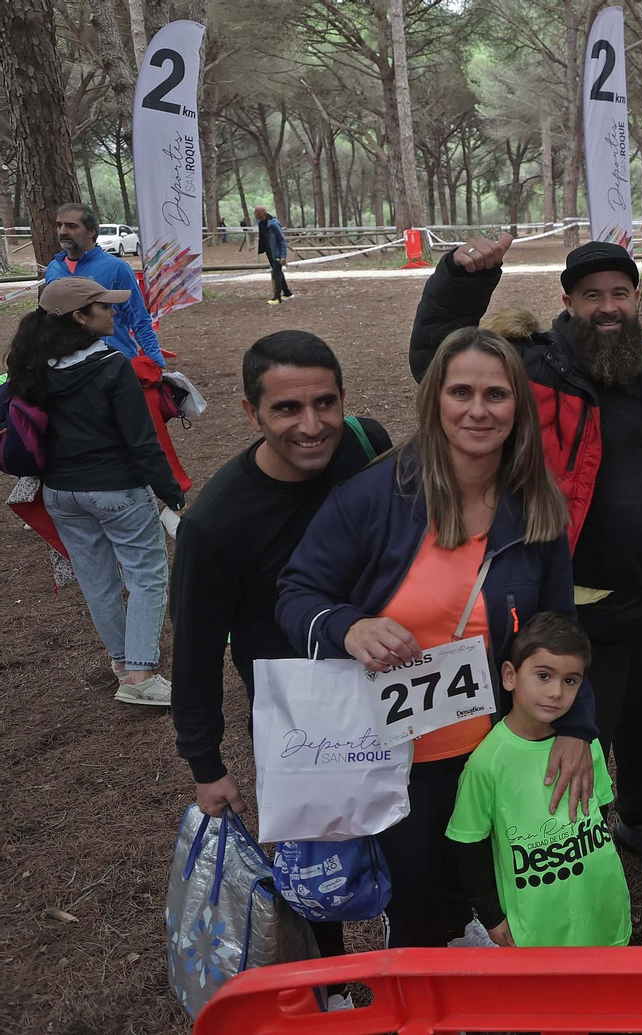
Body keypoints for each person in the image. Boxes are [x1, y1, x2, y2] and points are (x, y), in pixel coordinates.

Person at [276, 327, 598, 948]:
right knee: (420, 908)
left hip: (495, 747)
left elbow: (561, 630)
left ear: (518, 407)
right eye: (461, 392)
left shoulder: (535, 506)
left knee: (497, 895)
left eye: (496, 395)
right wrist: (350, 627)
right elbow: (297, 594)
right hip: (396, 762)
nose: (478, 410)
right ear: (435, 401)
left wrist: (578, 726)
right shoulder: (378, 496)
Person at [410, 234, 642, 879]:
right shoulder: (536, 371)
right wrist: (460, 281)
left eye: (619, 294)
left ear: (636, 299)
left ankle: (638, 815)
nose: (607, 307)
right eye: (591, 296)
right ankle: (563, 833)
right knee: (573, 722)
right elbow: (436, 359)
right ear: (567, 302)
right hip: (571, 598)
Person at [169, 331, 390, 1004]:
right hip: (302, 717)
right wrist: (206, 765)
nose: (312, 424)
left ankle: (418, 958)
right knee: (319, 866)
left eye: (326, 403)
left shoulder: (365, 444)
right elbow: (197, 651)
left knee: (411, 835)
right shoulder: (215, 524)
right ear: (250, 412)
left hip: (392, 678)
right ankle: (335, 983)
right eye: (287, 409)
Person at [7, 277, 184, 706]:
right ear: (79, 318)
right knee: (147, 577)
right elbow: (142, 441)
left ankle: (124, 663)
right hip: (117, 490)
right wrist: (170, 491)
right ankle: (141, 675)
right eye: (103, 307)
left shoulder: (30, 366)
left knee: (98, 582)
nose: (113, 312)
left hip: (61, 494)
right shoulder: (111, 364)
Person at [447, 613, 631, 948]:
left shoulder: (584, 746)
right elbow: (468, 845)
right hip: (536, 928)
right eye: (543, 675)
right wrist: (491, 915)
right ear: (510, 676)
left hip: (603, 906)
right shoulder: (487, 763)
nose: (556, 692)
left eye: (571, 680)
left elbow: (600, 810)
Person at [42, 204, 163, 367]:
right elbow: (48, 320)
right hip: (69, 365)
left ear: (91, 232)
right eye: (59, 225)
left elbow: (139, 318)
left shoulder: (116, 268)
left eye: (71, 226)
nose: (62, 231)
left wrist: (156, 362)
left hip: (114, 362)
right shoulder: (53, 269)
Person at [256, 206, 293, 305]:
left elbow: (283, 241)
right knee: (278, 272)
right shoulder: (260, 222)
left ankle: (277, 298)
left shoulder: (273, 224)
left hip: (277, 253)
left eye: (256, 212)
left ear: (262, 213)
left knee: (276, 273)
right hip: (269, 252)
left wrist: (283, 256)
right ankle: (287, 293)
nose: (254, 214)